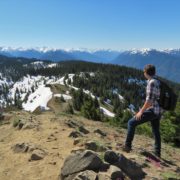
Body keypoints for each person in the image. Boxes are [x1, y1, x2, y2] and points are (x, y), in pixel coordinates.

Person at [123, 64, 162, 157]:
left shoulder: (151, 82)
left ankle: (127, 146)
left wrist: (141, 111)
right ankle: (157, 153)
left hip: (153, 110)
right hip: (158, 110)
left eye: (144, 71)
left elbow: (149, 100)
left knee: (131, 123)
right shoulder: (158, 81)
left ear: (146, 72)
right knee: (156, 130)